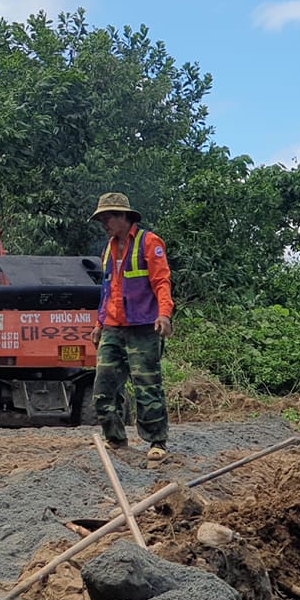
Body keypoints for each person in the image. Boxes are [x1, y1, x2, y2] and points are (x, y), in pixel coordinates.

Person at [89, 192, 174, 461]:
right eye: (102, 219)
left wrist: (164, 315)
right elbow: (108, 289)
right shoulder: (108, 249)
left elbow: (162, 282)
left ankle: (156, 441)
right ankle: (115, 439)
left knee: (147, 385)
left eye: (108, 217)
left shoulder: (149, 243)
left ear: (124, 217)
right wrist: (99, 322)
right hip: (113, 326)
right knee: (103, 387)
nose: (104, 223)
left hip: (143, 327)